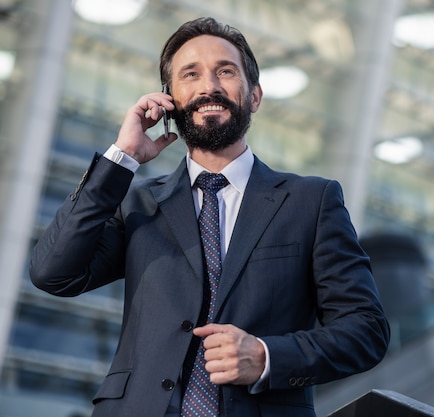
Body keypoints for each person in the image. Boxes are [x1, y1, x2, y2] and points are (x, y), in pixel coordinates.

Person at [30, 17, 390, 417]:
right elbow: (52, 273)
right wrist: (121, 158)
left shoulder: (312, 201)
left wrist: (266, 356)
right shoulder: (139, 205)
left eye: (225, 71)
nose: (209, 86)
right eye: (191, 74)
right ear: (169, 100)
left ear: (254, 96)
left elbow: (366, 331)